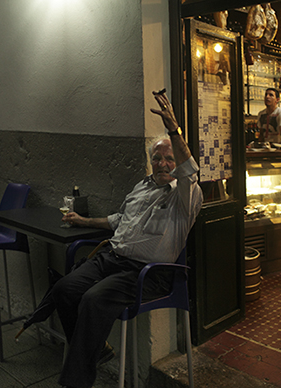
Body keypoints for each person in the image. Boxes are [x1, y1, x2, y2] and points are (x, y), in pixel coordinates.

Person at [54, 90, 203, 388]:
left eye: (169, 159)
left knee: (93, 300)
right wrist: (83, 221)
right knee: (64, 289)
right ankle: (99, 352)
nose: (163, 164)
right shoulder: (142, 186)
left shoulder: (185, 196)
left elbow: (190, 172)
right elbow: (119, 220)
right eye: (157, 159)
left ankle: (75, 382)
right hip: (113, 259)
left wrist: (174, 130)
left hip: (149, 273)